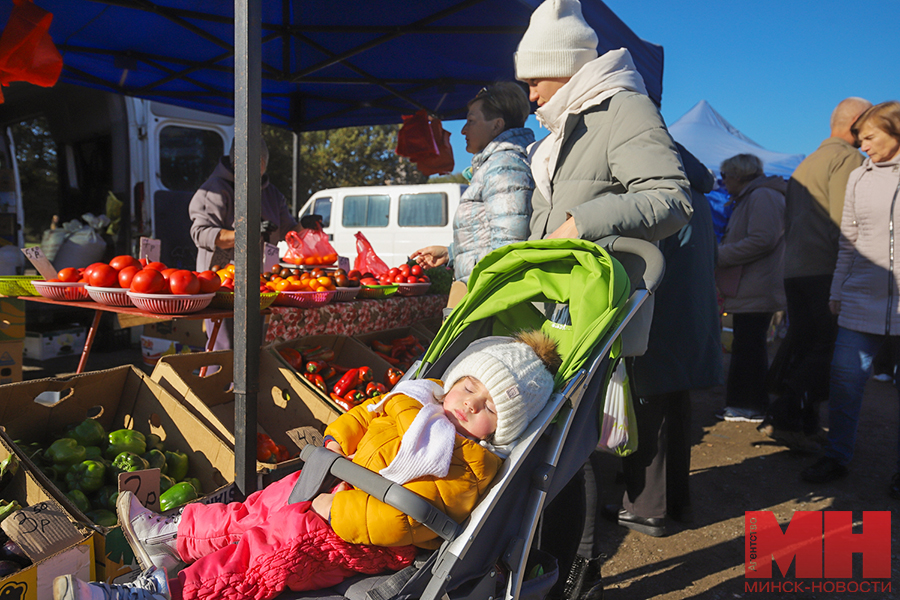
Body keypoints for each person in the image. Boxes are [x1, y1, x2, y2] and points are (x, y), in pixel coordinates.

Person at [54, 331, 562, 600]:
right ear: (455, 379)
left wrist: (334, 510)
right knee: (266, 500)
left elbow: (406, 518)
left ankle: (171, 592)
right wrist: (338, 440)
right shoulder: (416, 400)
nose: (470, 406)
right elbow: (365, 415)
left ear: (500, 429)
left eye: (489, 409)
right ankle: (177, 536)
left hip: (366, 542)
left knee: (276, 540)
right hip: (334, 490)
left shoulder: (468, 465)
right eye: (470, 387)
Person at [511, 1, 691, 597]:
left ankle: (576, 575)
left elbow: (672, 199)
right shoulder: (566, 125)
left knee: (571, 453)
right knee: (553, 449)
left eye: (533, 78)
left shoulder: (623, 109)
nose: (529, 95)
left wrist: (581, 221)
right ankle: (548, 567)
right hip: (556, 314)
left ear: (563, 68)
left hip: (595, 315)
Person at [601, 142, 723, 538]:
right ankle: (677, 502)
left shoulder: (662, 195)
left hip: (661, 318)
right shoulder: (698, 195)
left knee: (647, 410)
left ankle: (645, 508)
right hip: (691, 317)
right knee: (676, 409)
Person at [801, 101, 900, 497]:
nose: (863, 146)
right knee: (844, 380)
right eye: (859, 138)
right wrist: (837, 288)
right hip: (861, 297)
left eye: (871, 137)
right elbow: (848, 240)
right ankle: (837, 455)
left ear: (895, 131)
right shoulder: (859, 177)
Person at [759, 98, 872, 447]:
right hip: (826, 267)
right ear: (856, 122)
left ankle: (799, 420)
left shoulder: (806, 163)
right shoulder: (849, 159)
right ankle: (787, 408)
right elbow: (846, 221)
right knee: (828, 345)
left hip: (796, 268)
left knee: (806, 342)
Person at [411, 82, 534, 286]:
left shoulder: (504, 166)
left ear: (497, 125)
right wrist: (451, 253)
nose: (462, 130)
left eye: (470, 121)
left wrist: (481, 299)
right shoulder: (494, 165)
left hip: (489, 297)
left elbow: (508, 246)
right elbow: (490, 236)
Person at [188, 135, 300, 351]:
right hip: (222, 286)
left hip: (259, 286)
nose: (253, 171)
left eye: (258, 165)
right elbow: (201, 233)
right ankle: (219, 384)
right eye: (247, 163)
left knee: (254, 348)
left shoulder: (272, 194)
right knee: (226, 348)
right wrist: (246, 232)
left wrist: (306, 226)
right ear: (235, 161)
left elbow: (290, 230)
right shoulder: (214, 189)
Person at [714, 154, 786, 423]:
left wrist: (720, 255)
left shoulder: (762, 196)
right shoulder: (756, 196)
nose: (723, 182)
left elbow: (762, 239)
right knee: (748, 344)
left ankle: (749, 405)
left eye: (725, 176)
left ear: (737, 175)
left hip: (757, 284)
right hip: (754, 284)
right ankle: (746, 403)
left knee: (749, 346)